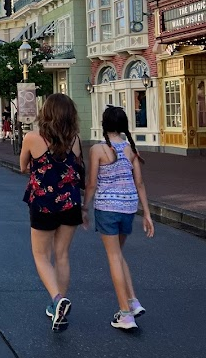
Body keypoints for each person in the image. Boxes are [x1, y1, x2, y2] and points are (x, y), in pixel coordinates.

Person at [82, 105, 154, 331]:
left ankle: (125, 314)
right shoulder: (131, 149)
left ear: (104, 125)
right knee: (118, 254)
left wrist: (84, 208)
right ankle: (132, 301)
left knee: (113, 257)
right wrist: (147, 215)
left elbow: (92, 183)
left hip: (107, 207)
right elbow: (139, 183)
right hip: (129, 207)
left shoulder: (98, 150)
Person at [20, 93, 84, 333]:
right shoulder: (75, 140)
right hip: (70, 203)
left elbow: (23, 166)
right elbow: (75, 166)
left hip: (43, 204)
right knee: (63, 255)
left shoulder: (32, 138)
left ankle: (57, 299)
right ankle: (57, 305)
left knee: (40, 255)